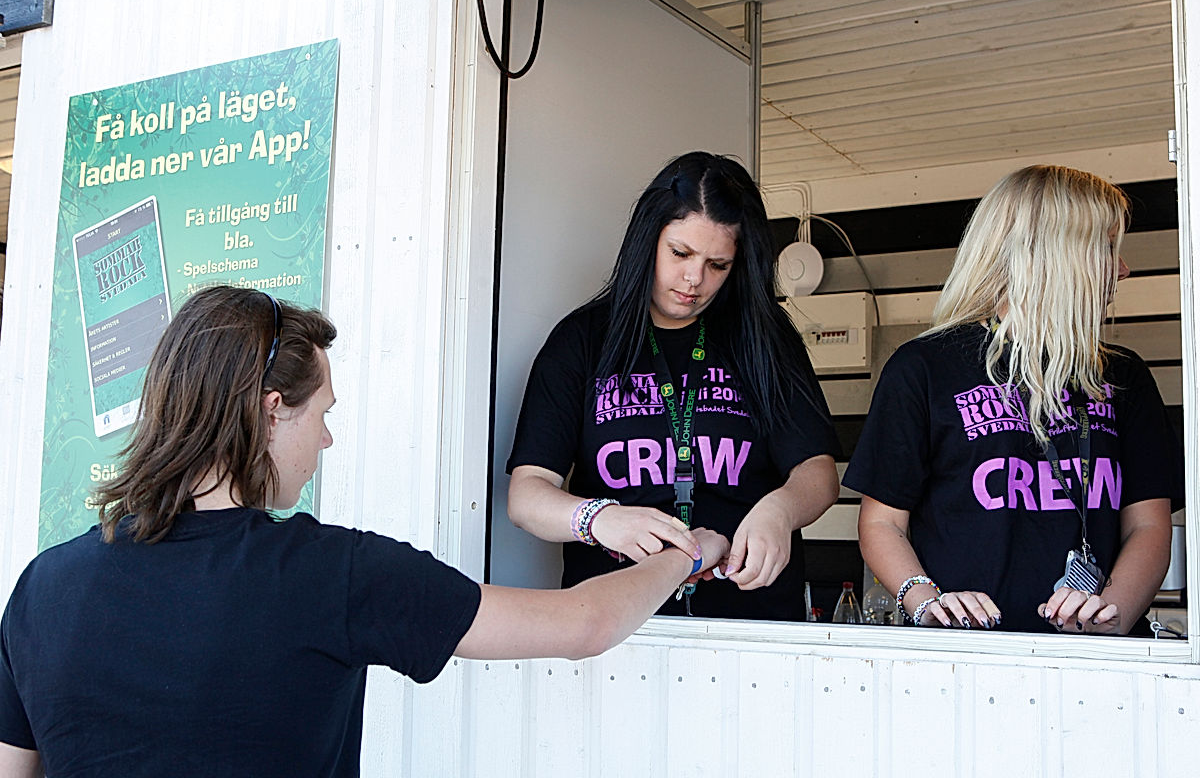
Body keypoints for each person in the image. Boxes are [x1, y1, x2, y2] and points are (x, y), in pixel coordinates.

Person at [0, 285, 730, 777]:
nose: (326, 441)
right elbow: (585, 622)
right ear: (270, 408)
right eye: (323, 414)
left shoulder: (45, 586)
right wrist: (687, 550)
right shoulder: (329, 574)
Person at [844, 165, 1183, 635]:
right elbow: (881, 525)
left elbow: (1148, 526)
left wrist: (1112, 618)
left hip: (1093, 665)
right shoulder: (924, 367)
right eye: (1107, 248)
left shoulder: (1124, 376)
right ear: (1054, 255)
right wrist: (929, 603)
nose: (1122, 268)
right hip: (964, 659)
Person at [506, 152, 840, 621]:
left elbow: (818, 472)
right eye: (680, 253)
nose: (694, 279)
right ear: (649, 240)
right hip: (613, 621)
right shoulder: (581, 341)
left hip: (750, 620)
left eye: (718, 264)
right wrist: (599, 519)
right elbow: (528, 494)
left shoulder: (767, 341)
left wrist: (781, 510)